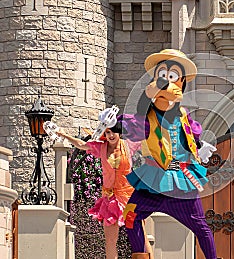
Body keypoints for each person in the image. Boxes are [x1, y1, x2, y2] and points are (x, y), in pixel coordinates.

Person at [120, 49, 218, 259]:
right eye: (162, 76)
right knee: (130, 215)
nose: (166, 82)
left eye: (172, 77)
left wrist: (200, 145)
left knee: (201, 226)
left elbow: (191, 136)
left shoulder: (184, 116)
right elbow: (135, 120)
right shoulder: (146, 115)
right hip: (153, 181)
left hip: (180, 183)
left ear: (181, 83)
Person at [57, 122, 154, 259]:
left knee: (141, 239)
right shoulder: (101, 148)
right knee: (110, 241)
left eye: (113, 131)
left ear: (119, 132)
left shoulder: (129, 146)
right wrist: (64, 134)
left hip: (129, 197)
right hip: (110, 199)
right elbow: (81, 144)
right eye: (107, 132)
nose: (111, 135)